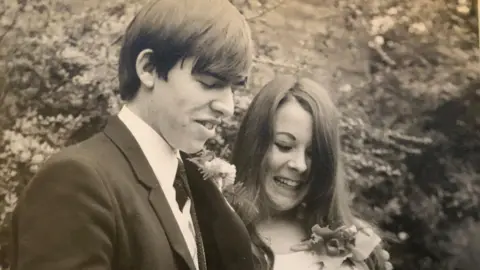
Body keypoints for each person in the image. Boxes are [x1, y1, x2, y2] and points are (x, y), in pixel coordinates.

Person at [9, 0, 254, 270]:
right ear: (148, 68)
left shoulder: (192, 183)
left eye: (233, 89)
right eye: (210, 83)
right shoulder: (78, 181)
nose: (228, 107)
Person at [226, 75, 393, 270]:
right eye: (284, 145)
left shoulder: (356, 244)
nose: (300, 165)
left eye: (313, 153)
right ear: (253, 145)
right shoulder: (207, 227)